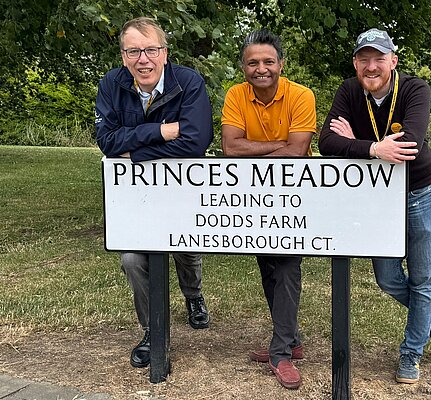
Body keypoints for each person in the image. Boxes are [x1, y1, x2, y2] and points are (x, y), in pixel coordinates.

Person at [318, 28, 431, 384]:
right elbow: (326, 142)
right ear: (355, 63)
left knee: (423, 279)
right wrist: (376, 149)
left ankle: (411, 353)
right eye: (364, 59)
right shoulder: (349, 91)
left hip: (419, 191)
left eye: (379, 58)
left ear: (393, 61)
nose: (371, 66)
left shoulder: (414, 89)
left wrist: (358, 143)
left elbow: (409, 144)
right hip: (377, 198)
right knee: (388, 278)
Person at [95, 17, 213, 369]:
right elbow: (105, 140)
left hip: (181, 190)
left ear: (164, 53)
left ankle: (193, 297)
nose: (142, 59)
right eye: (133, 51)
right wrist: (162, 131)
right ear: (123, 55)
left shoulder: (189, 81)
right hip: (135, 197)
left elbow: (195, 142)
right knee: (132, 259)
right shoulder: (111, 84)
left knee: (186, 249)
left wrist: (134, 153)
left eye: (150, 50)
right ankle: (152, 330)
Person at [221, 28, 316, 390]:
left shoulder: (301, 95)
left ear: (281, 64)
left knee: (288, 267)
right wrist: (281, 143)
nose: (261, 69)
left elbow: (299, 151)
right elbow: (231, 148)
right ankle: (290, 339)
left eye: (268, 61)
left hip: (294, 194)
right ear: (244, 67)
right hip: (253, 195)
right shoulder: (235, 95)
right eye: (253, 62)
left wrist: (260, 145)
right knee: (267, 266)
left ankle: (281, 353)